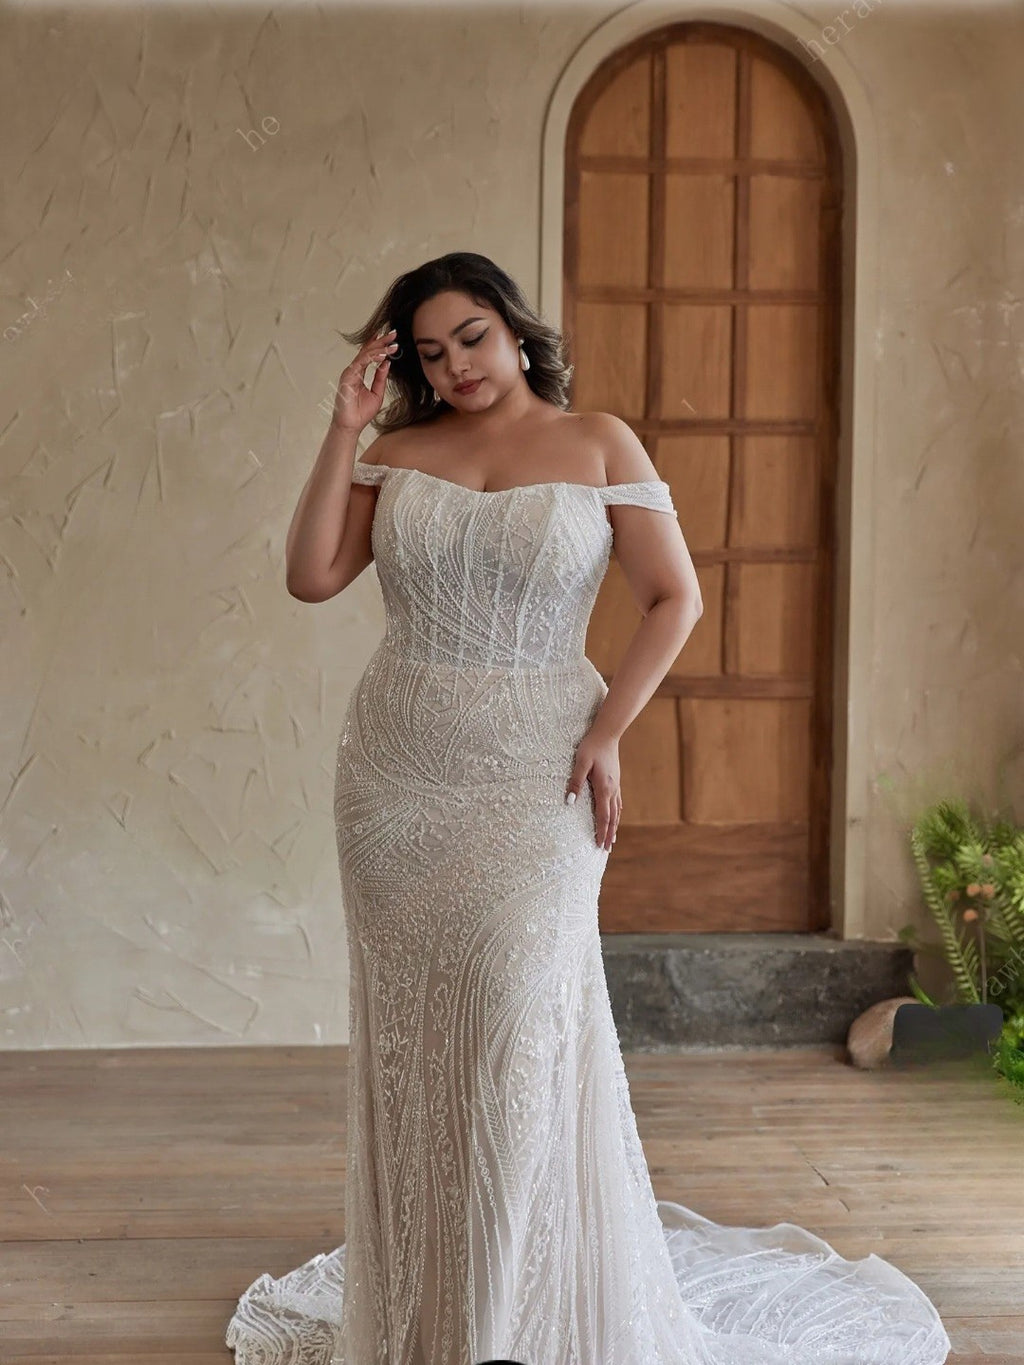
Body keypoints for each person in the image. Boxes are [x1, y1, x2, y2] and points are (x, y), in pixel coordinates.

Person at [225, 253, 951, 1365]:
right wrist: (343, 426)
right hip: (397, 774)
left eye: (470, 335)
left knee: (518, 1027)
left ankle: (511, 1316)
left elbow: (675, 597)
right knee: (419, 1043)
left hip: (541, 768)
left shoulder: (600, 441)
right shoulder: (394, 450)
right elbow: (312, 574)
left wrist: (605, 729)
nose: (454, 364)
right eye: (427, 351)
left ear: (514, 330)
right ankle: (431, 1306)